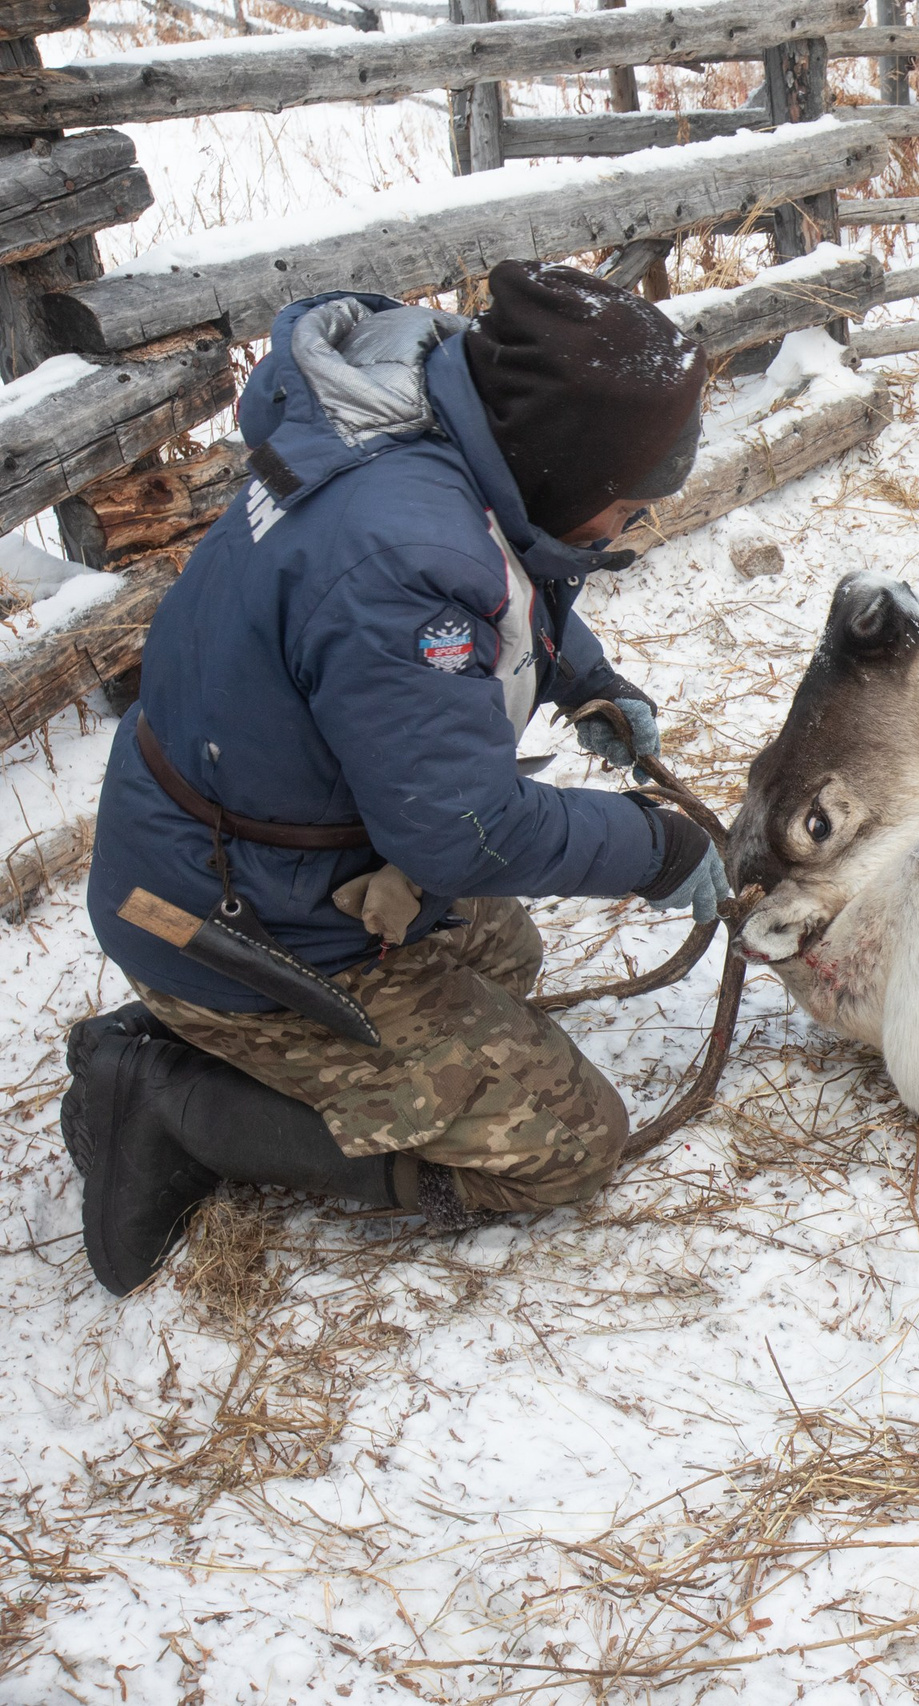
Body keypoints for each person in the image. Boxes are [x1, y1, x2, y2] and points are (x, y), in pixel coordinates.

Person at [64, 261, 729, 1297]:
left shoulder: (426, 432)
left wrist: (588, 681)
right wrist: (657, 846)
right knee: (563, 1141)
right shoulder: (393, 555)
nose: (622, 532)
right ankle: (169, 1097)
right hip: (239, 918)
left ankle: (250, 1041)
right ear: (560, 467)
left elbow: (504, 574)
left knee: (504, 958)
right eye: (624, 508)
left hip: (255, 857)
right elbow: (463, 836)